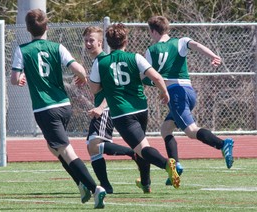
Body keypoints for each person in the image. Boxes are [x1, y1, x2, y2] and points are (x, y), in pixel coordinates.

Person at [10, 9, 106, 209]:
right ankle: (81, 184)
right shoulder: (57, 47)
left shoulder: (22, 50)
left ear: (28, 29)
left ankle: (94, 187)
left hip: (45, 108)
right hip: (64, 105)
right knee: (54, 148)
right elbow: (79, 69)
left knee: (65, 150)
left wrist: (20, 80)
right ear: (47, 27)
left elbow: (14, 79)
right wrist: (81, 77)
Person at [143, 15, 234, 185]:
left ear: (153, 31)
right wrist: (213, 56)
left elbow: (148, 75)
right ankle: (175, 167)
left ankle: (223, 144)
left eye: (150, 32)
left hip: (175, 94)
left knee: (191, 131)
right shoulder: (181, 41)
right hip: (188, 91)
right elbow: (197, 45)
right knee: (166, 130)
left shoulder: (151, 51)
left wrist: (141, 81)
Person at [89, 23, 181, 190]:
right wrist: (164, 93)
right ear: (126, 40)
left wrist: (108, 84)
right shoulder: (136, 57)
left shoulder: (100, 62)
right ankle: (145, 183)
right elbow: (157, 78)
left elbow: (95, 89)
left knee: (142, 148)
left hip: (121, 113)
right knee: (141, 147)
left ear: (108, 43)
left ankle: (167, 164)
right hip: (141, 108)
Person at [82, 26, 151, 194]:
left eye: (92, 40)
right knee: (92, 146)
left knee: (94, 144)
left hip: (107, 109)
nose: (88, 44)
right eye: (86, 41)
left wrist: (101, 106)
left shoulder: (104, 60)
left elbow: (113, 89)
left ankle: (131, 154)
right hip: (108, 108)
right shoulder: (98, 61)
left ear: (100, 42)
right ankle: (107, 184)